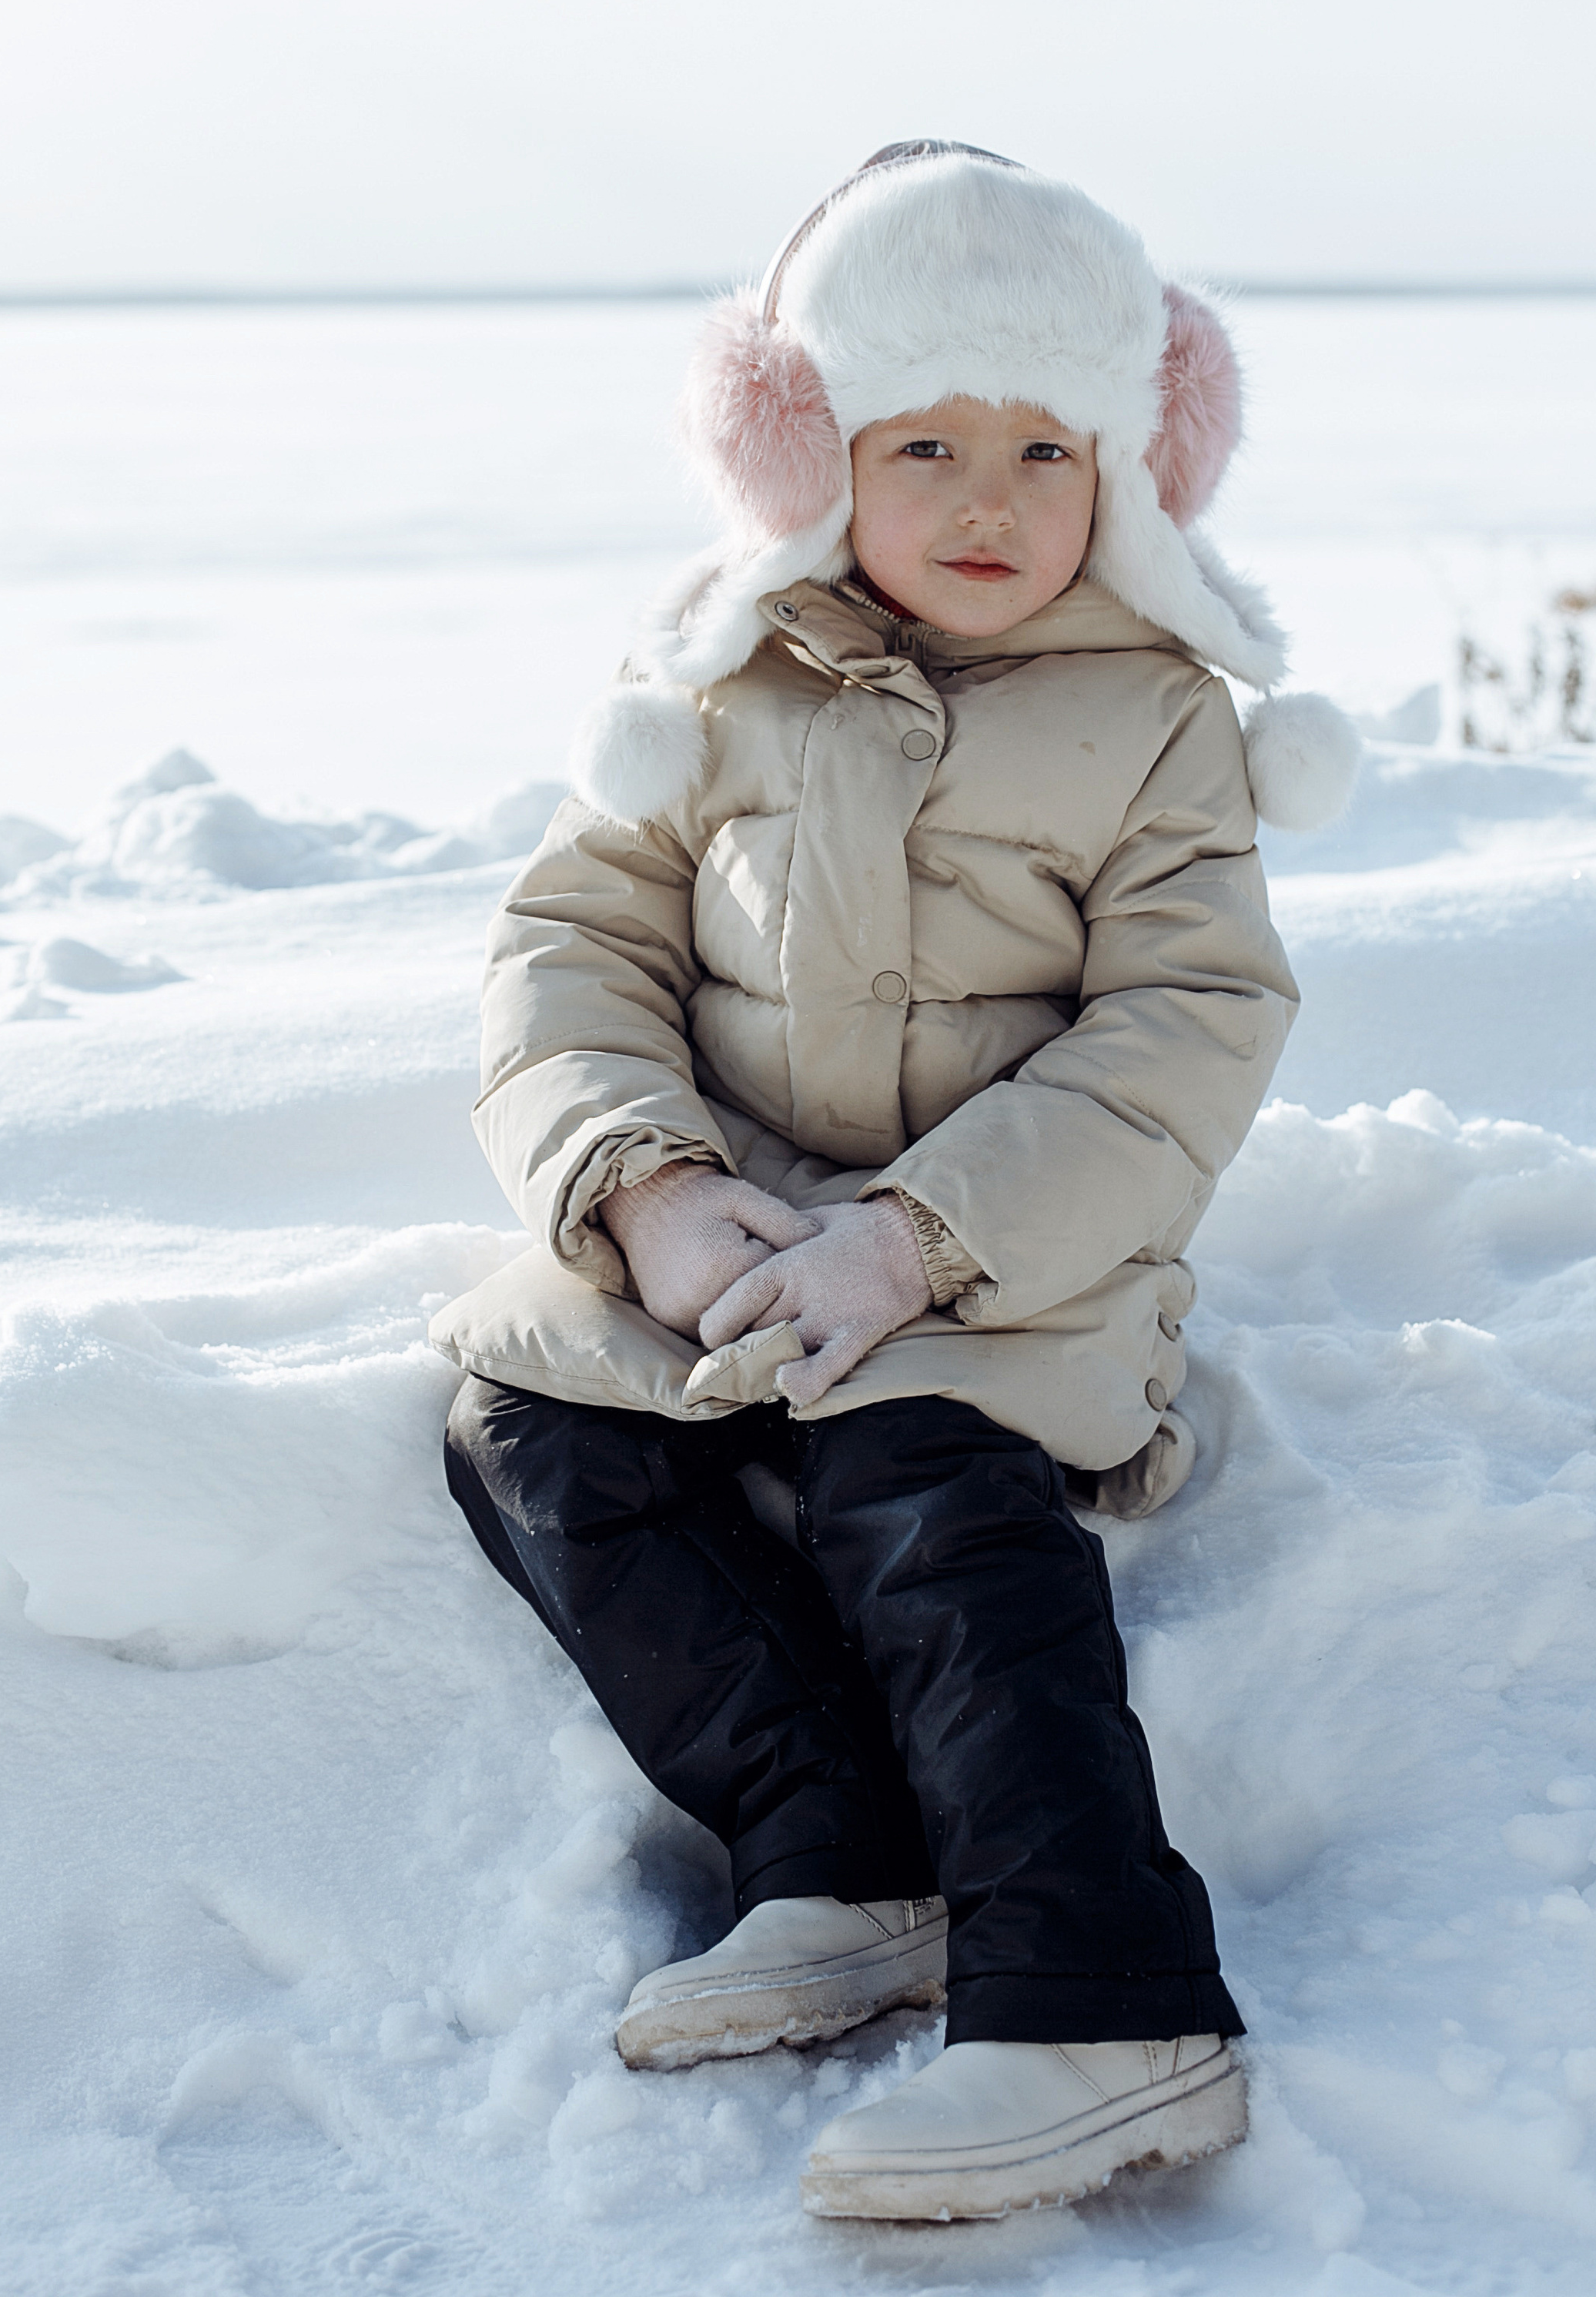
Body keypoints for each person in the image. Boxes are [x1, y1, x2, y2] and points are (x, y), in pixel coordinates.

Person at [430, 142, 1357, 2222]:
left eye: (1047, 444)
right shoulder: (713, 680)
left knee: (918, 1483)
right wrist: (650, 1190)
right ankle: (834, 1854)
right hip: (734, 1224)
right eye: (921, 439)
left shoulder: (1153, 721)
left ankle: (1101, 1996)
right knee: (537, 1423)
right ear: (802, 448)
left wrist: (930, 1236)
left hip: (1025, 1251)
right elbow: (567, 952)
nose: (987, 499)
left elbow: (1186, 1028)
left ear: (1135, 453)